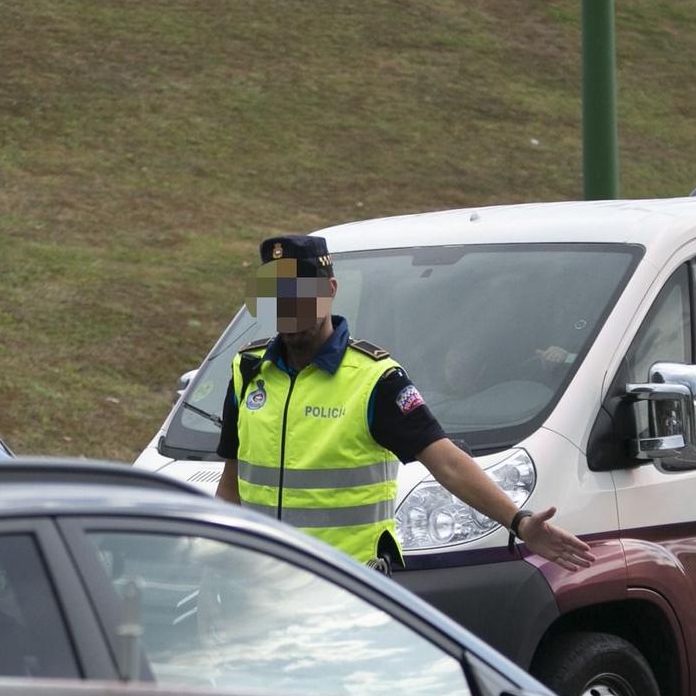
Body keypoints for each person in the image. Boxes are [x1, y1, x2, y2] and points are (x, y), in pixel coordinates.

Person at [215, 234, 595, 574]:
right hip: (258, 585)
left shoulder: (374, 379)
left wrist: (520, 522)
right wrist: (212, 564)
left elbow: (447, 463)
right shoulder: (248, 369)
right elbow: (233, 481)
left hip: (344, 591)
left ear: (329, 290)